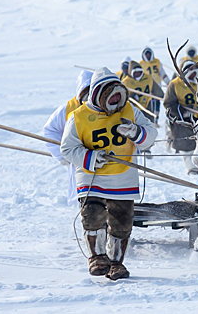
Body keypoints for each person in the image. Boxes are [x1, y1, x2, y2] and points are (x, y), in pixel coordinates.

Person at [61, 67, 158, 280]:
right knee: (93, 216)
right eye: (111, 98)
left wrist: (136, 132)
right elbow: (67, 148)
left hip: (123, 176)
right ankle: (97, 258)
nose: (116, 103)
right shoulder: (78, 117)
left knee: (122, 221)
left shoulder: (130, 110)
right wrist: (91, 158)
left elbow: (151, 134)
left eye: (118, 98)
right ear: (98, 94)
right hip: (91, 177)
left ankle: (116, 263)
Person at [43, 70, 93, 205]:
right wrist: (61, 155)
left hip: (101, 156)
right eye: (84, 91)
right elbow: (49, 130)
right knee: (83, 195)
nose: (87, 96)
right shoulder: (67, 109)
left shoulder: (103, 105)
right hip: (77, 158)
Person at [163, 60, 198, 174]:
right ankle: (191, 167)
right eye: (190, 72)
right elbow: (168, 104)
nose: (193, 74)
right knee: (186, 144)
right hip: (183, 121)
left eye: (194, 72)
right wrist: (182, 112)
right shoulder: (174, 84)